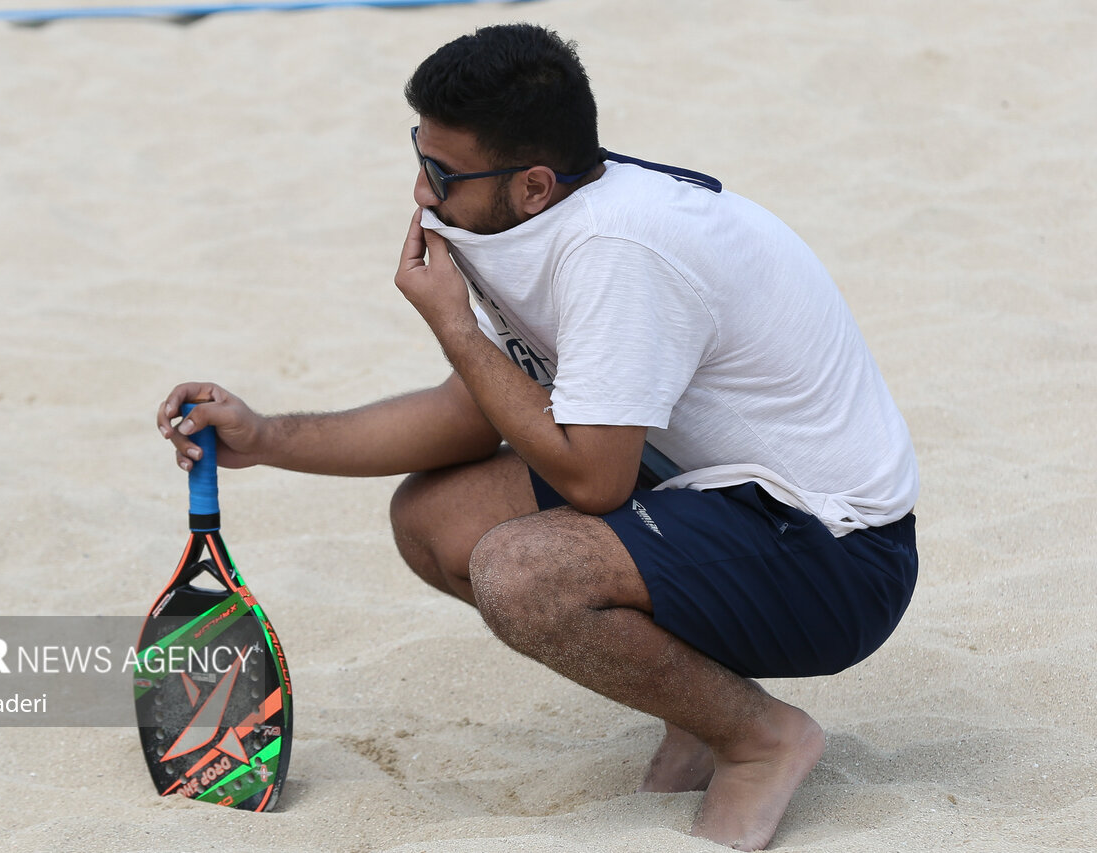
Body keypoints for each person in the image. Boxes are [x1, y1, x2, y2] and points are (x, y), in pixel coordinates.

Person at [156, 23, 919, 852]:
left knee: (520, 572)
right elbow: (474, 408)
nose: (419, 191)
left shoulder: (615, 250)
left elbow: (596, 482)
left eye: (441, 172)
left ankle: (759, 738)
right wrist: (266, 435)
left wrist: (454, 323)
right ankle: (707, 709)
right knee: (436, 518)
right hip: (712, 492)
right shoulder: (526, 218)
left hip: (835, 554)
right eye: (419, 154)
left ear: (532, 185)